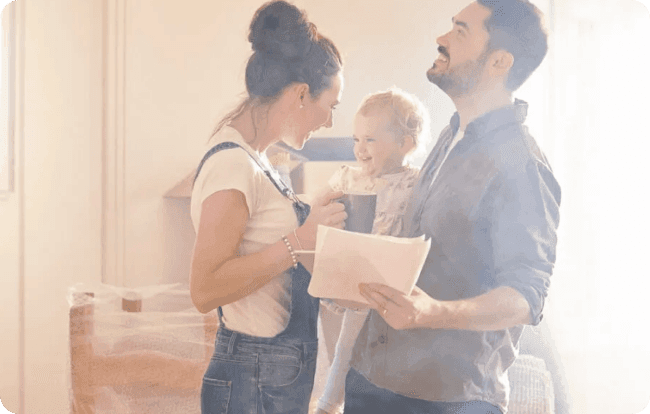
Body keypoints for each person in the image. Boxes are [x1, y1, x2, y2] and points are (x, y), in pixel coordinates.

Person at [343, 1, 561, 413]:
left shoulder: (523, 166)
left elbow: (525, 297)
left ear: (499, 61)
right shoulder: (450, 135)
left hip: (448, 398)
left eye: (460, 32)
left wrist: (435, 312)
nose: (441, 40)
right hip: (371, 376)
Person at [188, 1, 346, 413]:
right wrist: (298, 240)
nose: (329, 122)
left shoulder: (257, 160)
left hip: (267, 378)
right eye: (331, 106)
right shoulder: (231, 164)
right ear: (300, 93)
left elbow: (259, 238)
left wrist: (312, 215)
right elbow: (205, 290)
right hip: (250, 381)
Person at [314, 88, 430, 414]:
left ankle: (362, 399)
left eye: (370, 140)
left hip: (394, 276)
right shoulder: (349, 177)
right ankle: (328, 403)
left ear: (405, 145)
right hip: (357, 273)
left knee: (387, 347)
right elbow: (316, 207)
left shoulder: (416, 182)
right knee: (346, 342)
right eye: (356, 140)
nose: (360, 150)